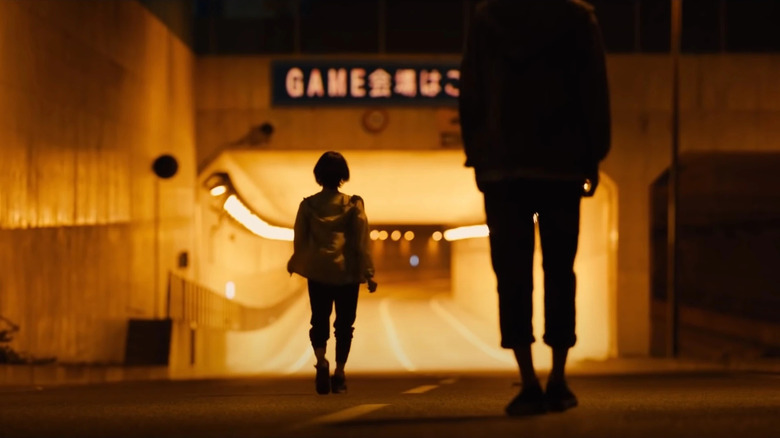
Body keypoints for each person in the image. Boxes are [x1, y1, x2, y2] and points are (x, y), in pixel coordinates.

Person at [458, 0, 611, 416]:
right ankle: (559, 380)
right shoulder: (579, 18)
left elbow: (471, 88)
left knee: (511, 274)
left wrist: (478, 153)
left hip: (502, 167)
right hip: (562, 165)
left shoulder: (488, 17)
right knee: (561, 271)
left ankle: (528, 382)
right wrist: (594, 155)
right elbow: (593, 87)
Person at [287, 151, 378, 395]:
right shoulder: (353, 204)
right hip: (347, 273)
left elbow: (300, 240)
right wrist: (368, 272)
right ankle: (339, 373)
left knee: (319, 319)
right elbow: (361, 241)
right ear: (343, 176)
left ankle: (321, 361)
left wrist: (296, 262)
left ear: (318, 176)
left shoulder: (307, 205)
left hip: (318, 272)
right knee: (345, 325)